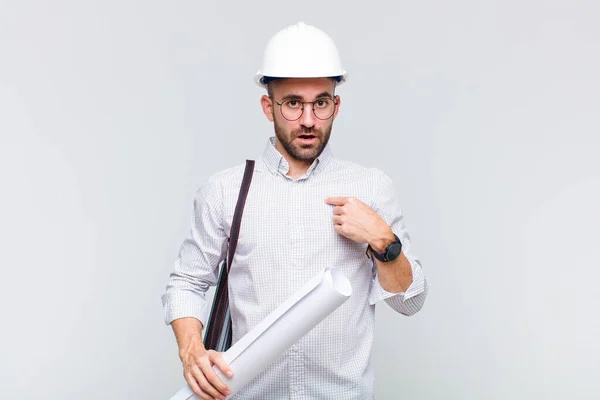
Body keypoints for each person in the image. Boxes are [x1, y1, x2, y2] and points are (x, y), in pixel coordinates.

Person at [162, 21, 428, 400]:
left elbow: (410, 301)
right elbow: (187, 282)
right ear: (267, 106)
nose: (308, 120)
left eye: (320, 102)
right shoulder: (226, 190)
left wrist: (383, 240)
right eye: (292, 103)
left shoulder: (371, 187)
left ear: (336, 105)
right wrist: (191, 351)